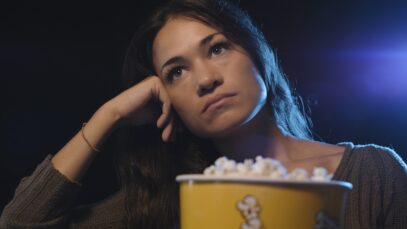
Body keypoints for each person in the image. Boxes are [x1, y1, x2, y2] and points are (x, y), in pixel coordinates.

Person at [1, 0, 406, 228]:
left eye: (217, 48)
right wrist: (110, 113)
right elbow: (20, 224)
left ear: (257, 55)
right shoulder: (169, 201)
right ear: (166, 98)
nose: (205, 80)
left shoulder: (372, 172)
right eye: (176, 72)